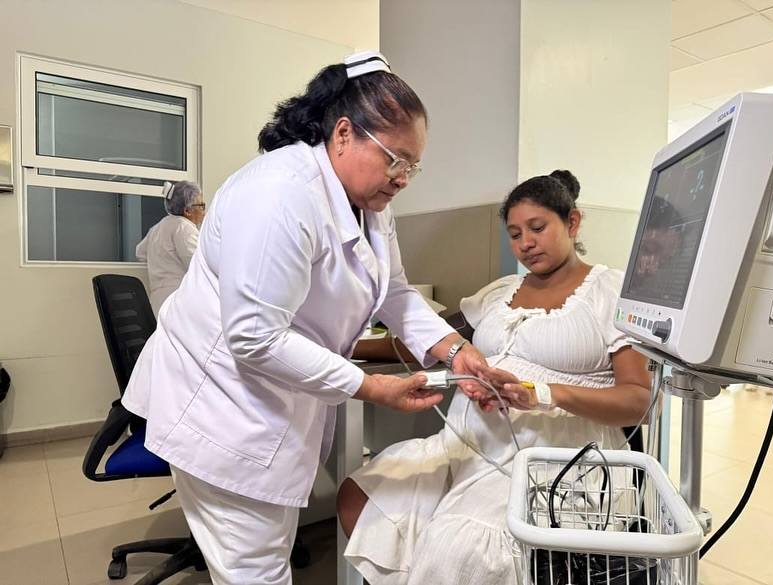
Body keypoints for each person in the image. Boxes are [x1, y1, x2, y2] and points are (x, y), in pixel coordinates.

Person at [120, 51, 487, 585]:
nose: (403, 178)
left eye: (413, 166)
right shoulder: (280, 193)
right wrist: (370, 386)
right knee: (255, 571)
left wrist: (456, 350)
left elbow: (395, 291)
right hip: (224, 408)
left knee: (264, 559)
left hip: (267, 402)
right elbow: (255, 336)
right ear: (343, 133)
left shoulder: (370, 204)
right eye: (395, 159)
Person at [337, 170, 652, 585]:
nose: (525, 243)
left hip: (550, 461)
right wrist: (341, 345)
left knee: (457, 545)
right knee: (364, 495)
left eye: (537, 228)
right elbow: (429, 339)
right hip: (466, 444)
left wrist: (542, 394)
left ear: (572, 222)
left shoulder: (611, 293)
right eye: (515, 234)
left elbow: (638, 401)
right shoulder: (501, 292)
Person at [136, 180, 206, 316]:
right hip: (178, 300)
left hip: (157, 301)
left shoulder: (159, 226)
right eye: (201, 205)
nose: (204, 210)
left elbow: (140, 252)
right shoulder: (184, 227)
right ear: (187, 211)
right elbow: (198, 264)